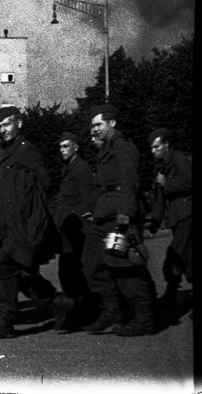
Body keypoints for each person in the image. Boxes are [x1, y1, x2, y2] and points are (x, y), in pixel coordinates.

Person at [0, 106, 65, 339]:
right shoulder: (8, 151)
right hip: (9, 224)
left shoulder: (27, 151)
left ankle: (5, 322)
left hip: (23, 225)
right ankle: (59, 302)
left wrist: (30, 214)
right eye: (0, 126)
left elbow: (43, 183)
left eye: (7, 124)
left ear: (20, 124)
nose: (3, 129)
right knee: (23, 274)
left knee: (1, 271)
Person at [81, 104, 156, 337]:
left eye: (98, 124)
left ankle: (144, 317)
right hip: (105, 215)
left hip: (119, 217)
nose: (94, 130)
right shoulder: (106, 150)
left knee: (125, 267)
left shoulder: (123, 148)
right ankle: (112, 310)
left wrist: (124, 216)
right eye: (92, 125)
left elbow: (128, 182)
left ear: (112, 123)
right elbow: (104, 187)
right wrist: (96, 210)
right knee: (92, 262)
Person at [49, 131, 97, 330]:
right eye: (60, 147)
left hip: (78, 228)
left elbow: (88, 197)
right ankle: (81, 309)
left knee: (73, 270)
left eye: (66, 146)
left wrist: (87, 221)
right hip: (68, 228)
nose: (62, 150)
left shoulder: (80, 167)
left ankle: (85, 310)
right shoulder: (68, 168)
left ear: (76, 147)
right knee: (70, 271)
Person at [146, 128, 192, 315]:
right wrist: (155, 220)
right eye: (151, 147)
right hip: (177, 217)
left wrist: (167, 184)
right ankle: (171, 296)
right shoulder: (160, 165)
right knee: (187, 260)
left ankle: (170, 296)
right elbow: (159, 197)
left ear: (166, 145)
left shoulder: (179, 159)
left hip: (186, 215)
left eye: (157, 146)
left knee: (174, 257)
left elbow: (189, 182)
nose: (153, 151)